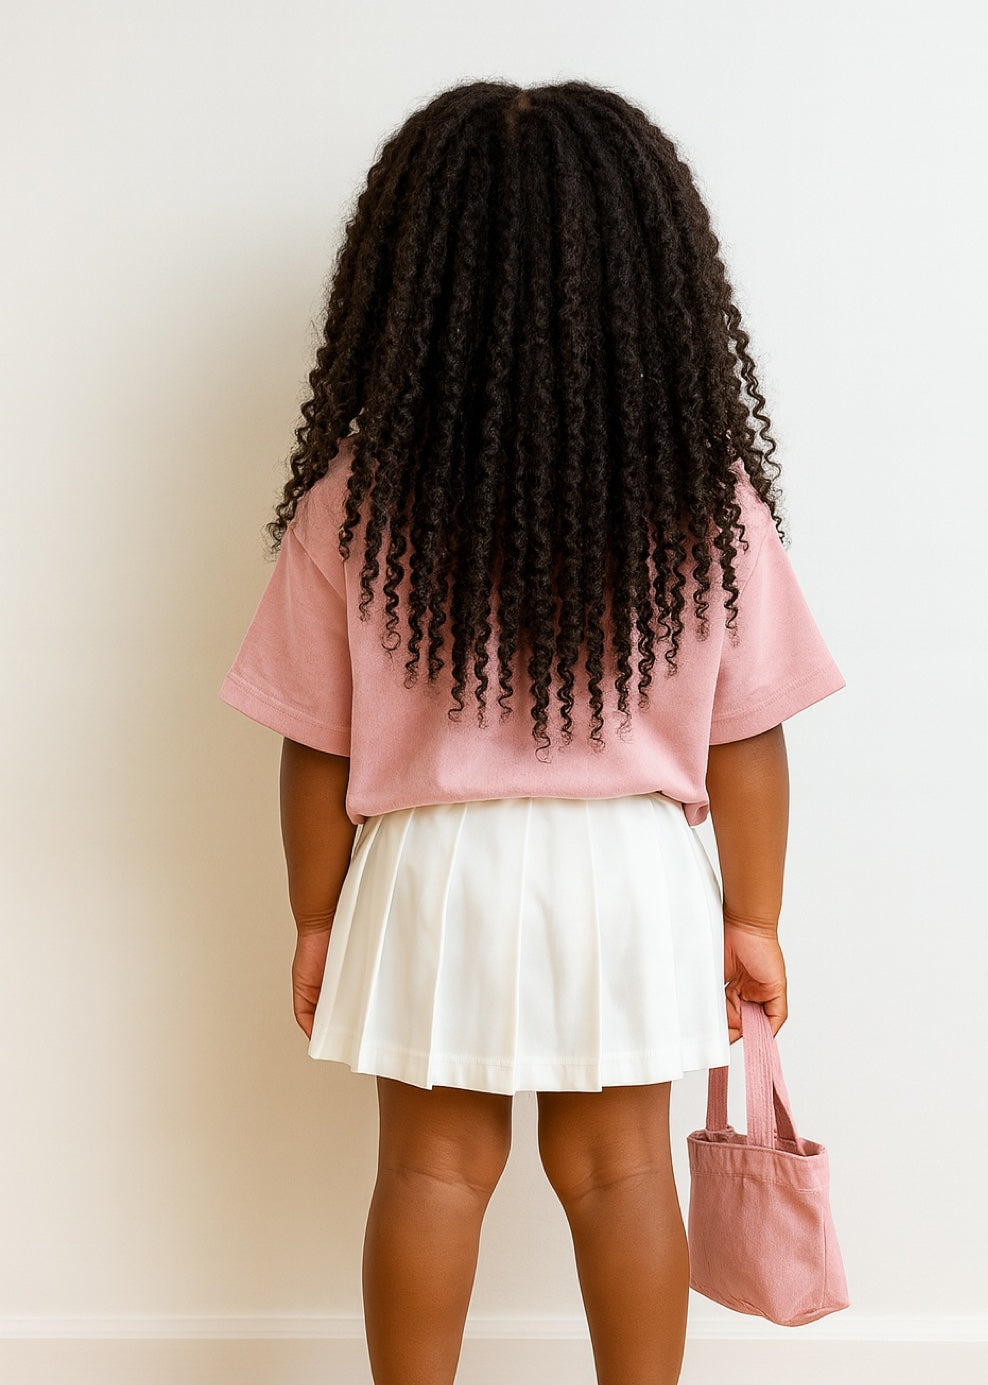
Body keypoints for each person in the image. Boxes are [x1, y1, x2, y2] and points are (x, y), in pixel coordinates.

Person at [219, 79, 845, 1385]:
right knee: (622, 1172)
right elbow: (747, 734)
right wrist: (755, 915)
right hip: (628, 872)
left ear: (410, 276)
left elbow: (315, 742)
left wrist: (317, 915)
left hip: (428, 872)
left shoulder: (358, 496)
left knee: (430, 1171)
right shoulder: (701, 499)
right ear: (651, 275)